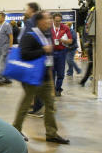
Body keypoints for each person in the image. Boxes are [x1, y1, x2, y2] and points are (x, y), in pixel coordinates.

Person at [11, 11, 68, 144]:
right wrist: (43, 50)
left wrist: (50, 77)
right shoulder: (30, 35)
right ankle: (15, 130)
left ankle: (51, 133)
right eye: (47, 18)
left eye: (50, 19)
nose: (49, 21)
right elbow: (24, 54)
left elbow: (49, 58)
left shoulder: (47, 34)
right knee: (25, 105)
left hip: (45, 77)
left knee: (50, 105)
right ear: (39, 21)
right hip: (32, 78)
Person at [50, 13, 73, 96]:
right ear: (53, 20)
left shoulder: (65, 28)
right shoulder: (49, 28)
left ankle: (58, 89)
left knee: (60, 73)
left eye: (59, 21)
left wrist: (63, 41)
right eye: (56, 21)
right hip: (51, 53)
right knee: (51, 72)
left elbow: (70, 41)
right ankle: (52, 90)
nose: (58, 23)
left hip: (61, 52)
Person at [0, 12, 14, 85]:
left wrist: (10, 47)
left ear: (3, 17)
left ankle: (0, 79)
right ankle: (7, 78)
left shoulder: (7, 25)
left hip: (5, 46)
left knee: (1, 63)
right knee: (5, 63)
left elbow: (11, 36)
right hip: (0, 47)